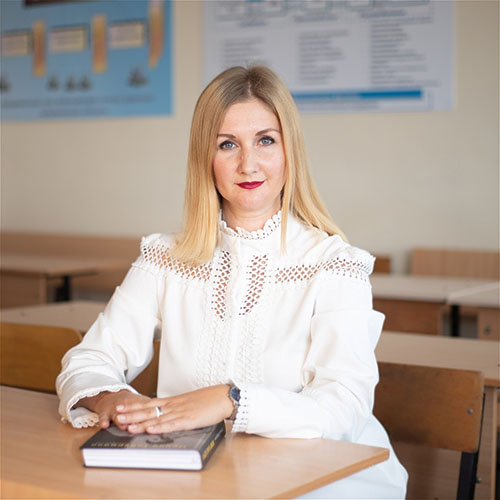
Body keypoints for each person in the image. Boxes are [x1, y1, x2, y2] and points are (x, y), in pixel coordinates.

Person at [57, 65, 407, 498]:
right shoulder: (164, 257)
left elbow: (345, 407)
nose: (248, 164)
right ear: (205, 158)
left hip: (316, 480)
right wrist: (113, 399)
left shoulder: (335, 265)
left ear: (290, 150)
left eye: (266, 140)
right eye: (227, 144)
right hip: (198, 475)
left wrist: (232, 400)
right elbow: (88, 360)